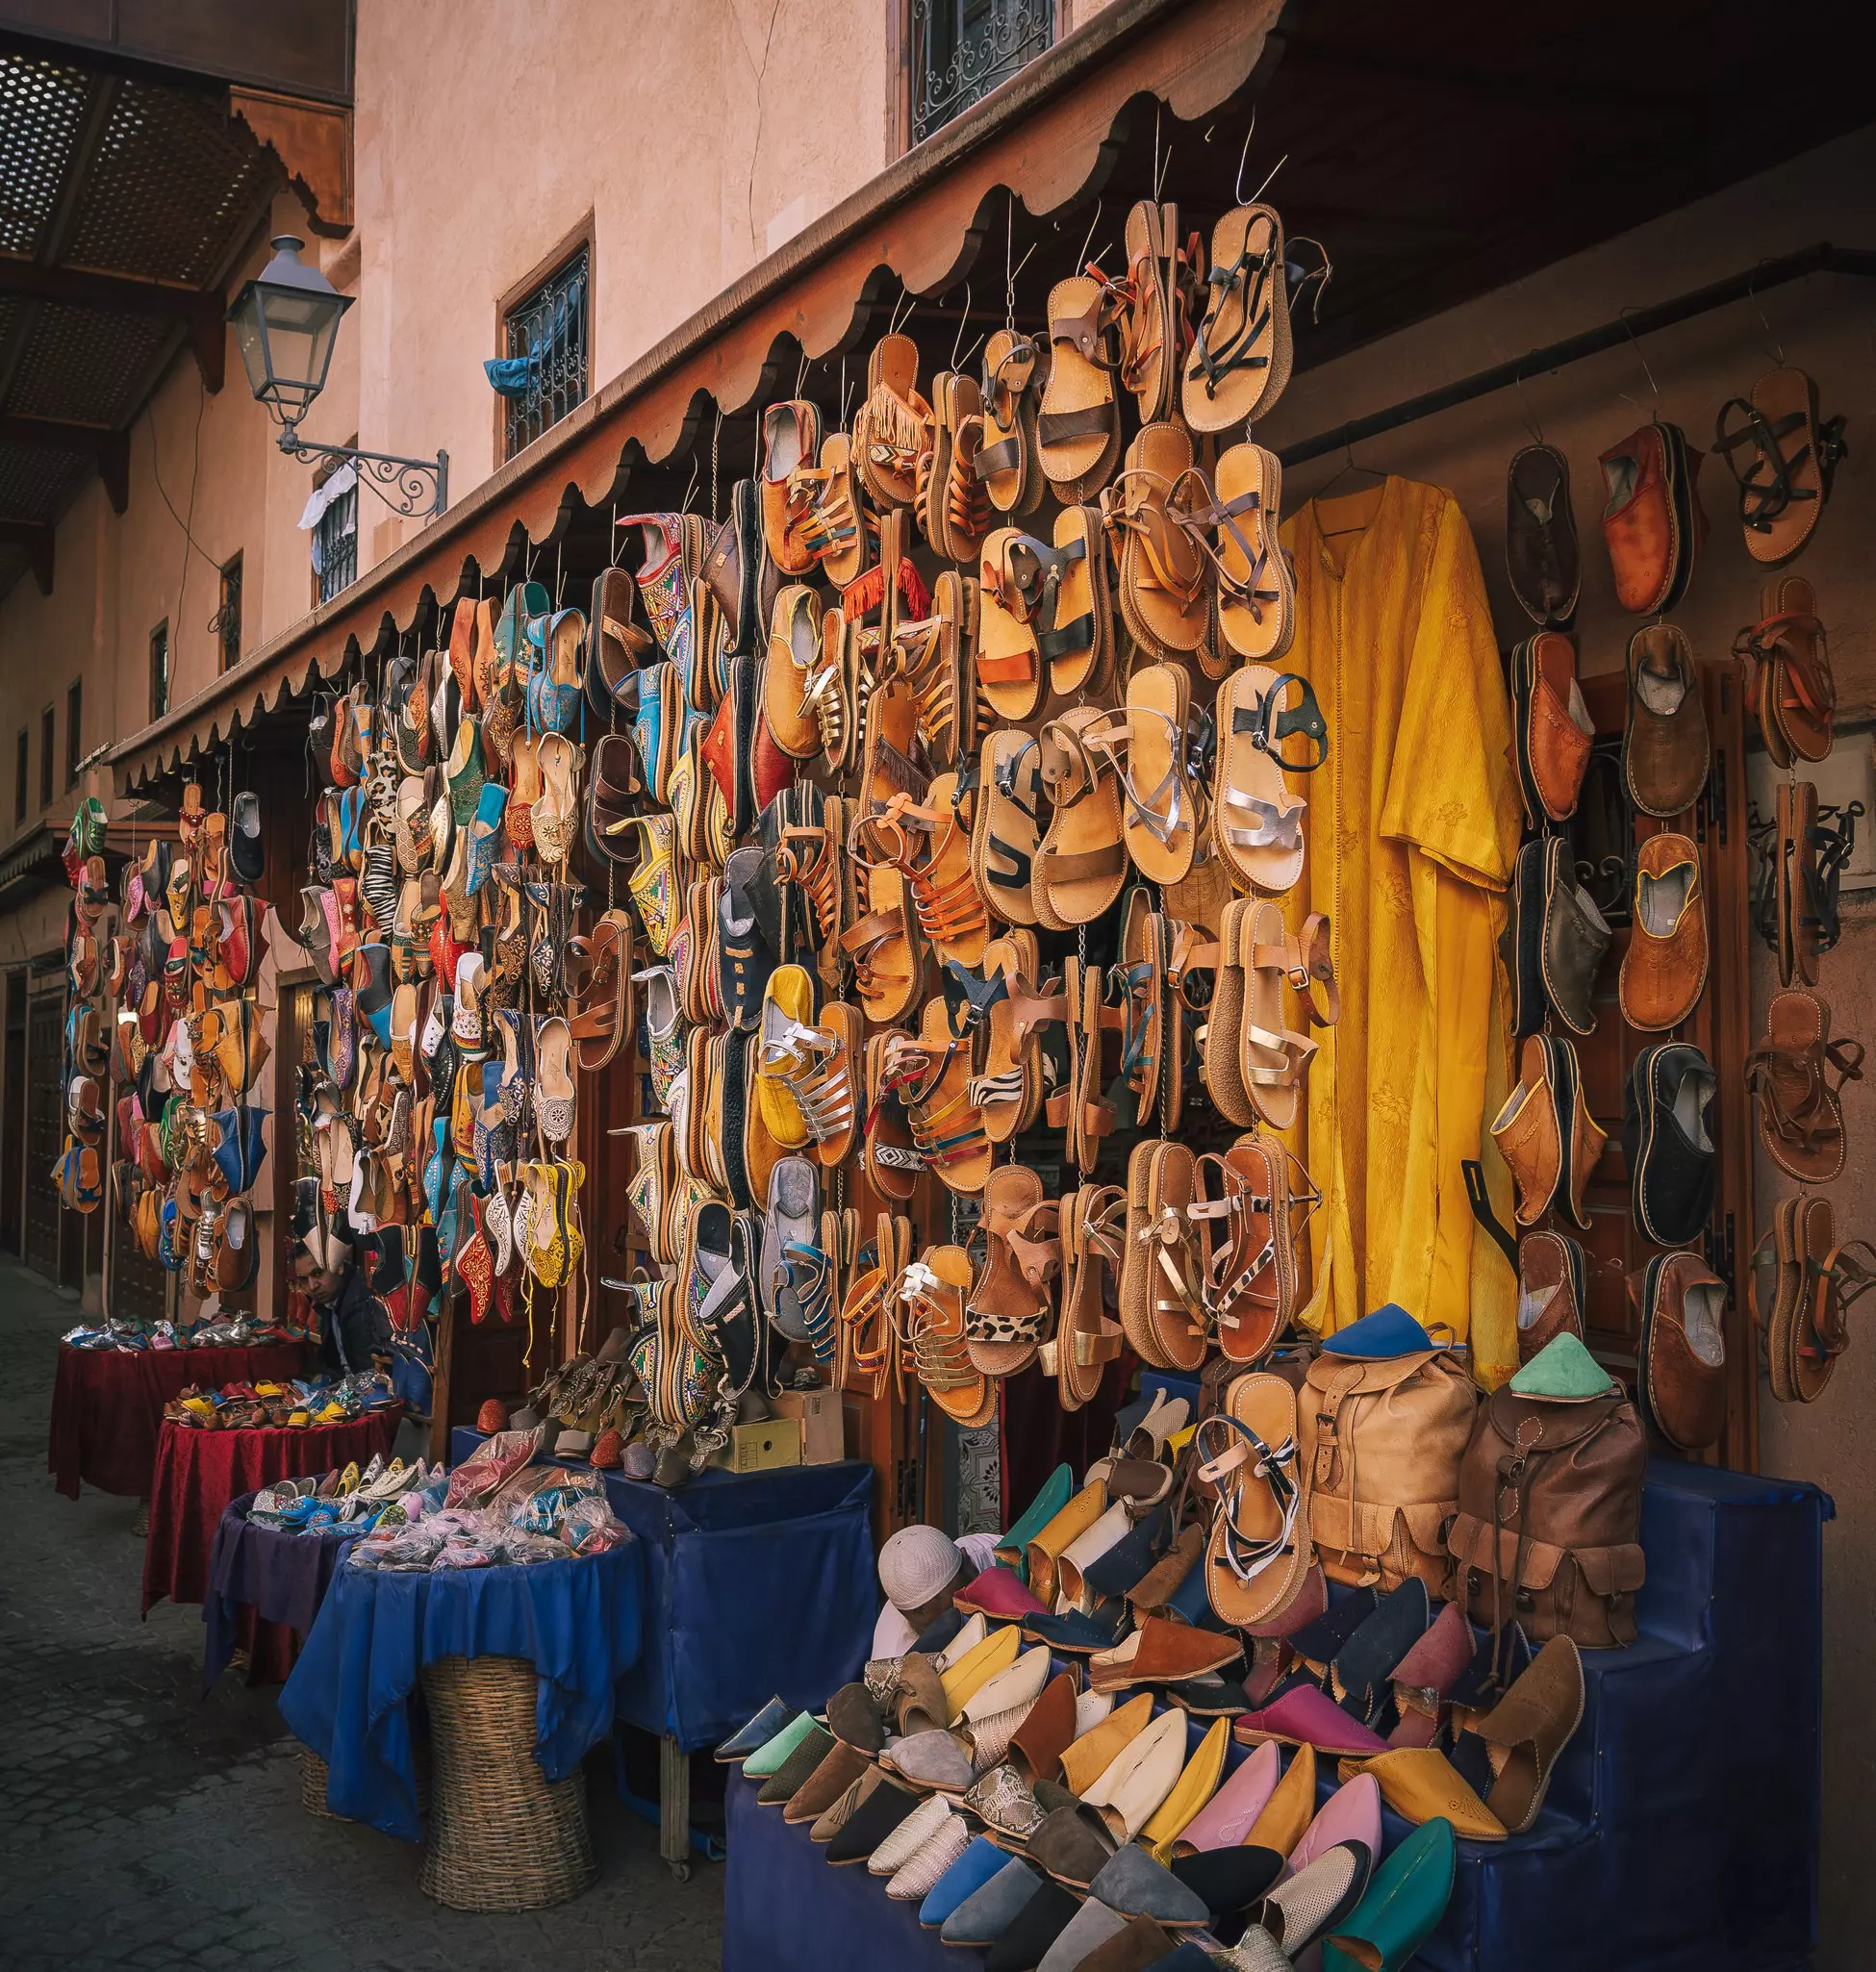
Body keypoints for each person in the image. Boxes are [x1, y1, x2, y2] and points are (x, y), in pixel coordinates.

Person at [873, 1523, 1001, 1658]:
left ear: (966, 1561)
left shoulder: (991, 1552)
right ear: (915, 1615)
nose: (967, 1611)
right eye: (952, 1613)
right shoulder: (896, 1660)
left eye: (963, 1597)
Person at [300, 1225, 390, 1380]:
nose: (312, 1286)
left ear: (339, 1267)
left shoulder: (361, 1302)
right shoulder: (329, 1303)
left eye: (318, 1273)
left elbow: (368, 1372)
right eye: (303, 1279)